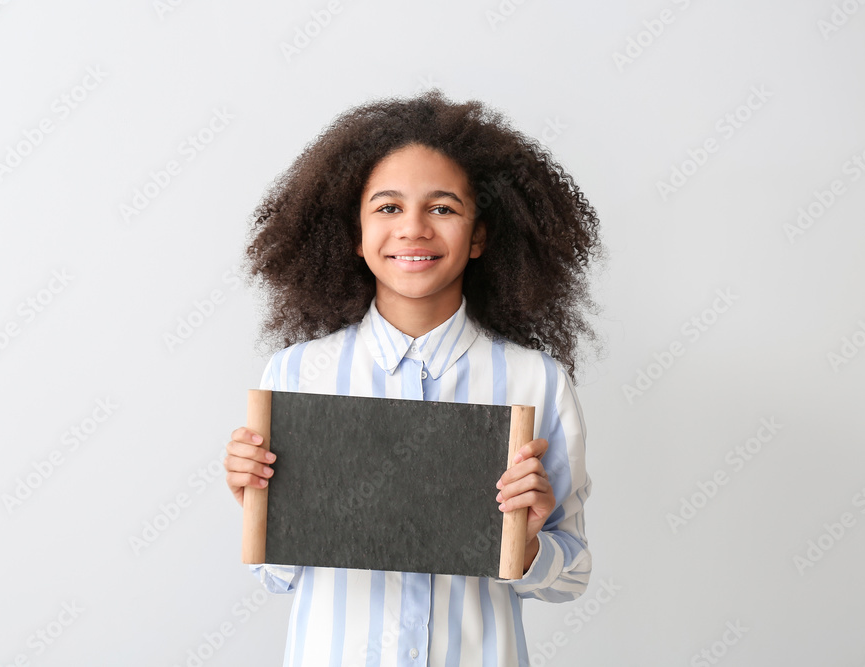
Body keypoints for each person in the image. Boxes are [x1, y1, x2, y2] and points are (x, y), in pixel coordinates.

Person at [224, 89, 603, 666]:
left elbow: (568, 577)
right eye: (388, 207)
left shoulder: (535, 381)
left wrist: (528, 541)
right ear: (354, 233)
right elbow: (279, 577)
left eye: (443, 208)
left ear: (478, 236)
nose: (414, 229)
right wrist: (261, 508)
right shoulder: (300, 373)